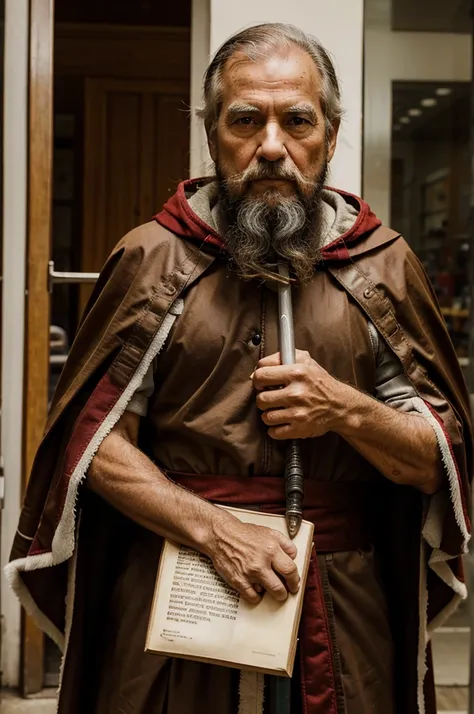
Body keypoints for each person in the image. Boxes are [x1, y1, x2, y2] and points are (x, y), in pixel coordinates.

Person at [6, 23, 472, 714]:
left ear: (332, 134)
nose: (273, 147)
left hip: (343, 614)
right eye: (246, 120)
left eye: (298, 121)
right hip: (176, 603)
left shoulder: (384, 265)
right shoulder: (154, 259)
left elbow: (438, 460)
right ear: (211, 132)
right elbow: (92, 445)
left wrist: (343, 409)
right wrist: (214, 532)